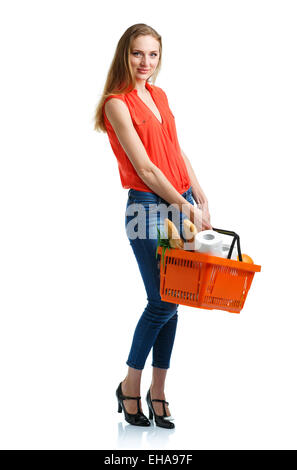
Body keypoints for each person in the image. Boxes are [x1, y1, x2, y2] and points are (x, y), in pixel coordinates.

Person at [94, 24, 212, 429]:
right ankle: (130, 386)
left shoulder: (158, 95)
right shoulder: (116, 103)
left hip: (181, 200)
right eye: (137, 54)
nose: (145, 63)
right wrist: (182, 204)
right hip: (146, 206)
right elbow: (144, 167)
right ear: (123, 56)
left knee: (174, 298)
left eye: (153, 55)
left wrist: (199, 194)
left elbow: (175, 148)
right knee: (161, 300)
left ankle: (157, 392)